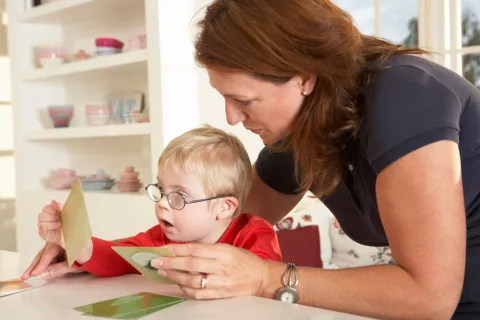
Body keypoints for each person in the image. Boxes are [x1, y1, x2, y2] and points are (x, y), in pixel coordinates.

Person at [23, 0, 479, 319]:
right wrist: (86, 253)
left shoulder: (405, 96)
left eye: (244, 100)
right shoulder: (302, 130)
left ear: (304, 77)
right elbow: (219, 226)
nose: (232, 118)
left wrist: (265, 277)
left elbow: (429, 296)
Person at [22, 125, 281, 280]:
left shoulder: (254, 236)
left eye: (178, 196)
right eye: (161, 189)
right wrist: (75, 243)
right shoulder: (162, 238)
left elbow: (263, 284)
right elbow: (117, 256)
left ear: (224, 208)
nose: (163, 204)